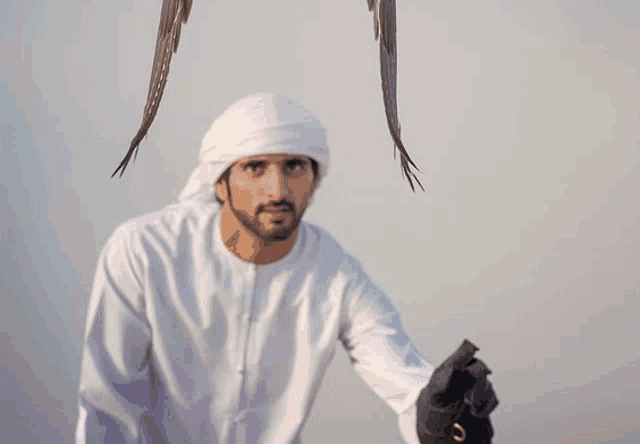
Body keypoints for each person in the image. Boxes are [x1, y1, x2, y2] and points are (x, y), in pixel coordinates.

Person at [76, 93, 497, 444]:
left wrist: (442, 416)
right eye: (254, 168)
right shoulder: (144, 252)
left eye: (294, 167)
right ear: (219, 182)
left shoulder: (335, 276)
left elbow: (406, 383)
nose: (276, 190)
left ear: (315, 179)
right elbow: (108, 408)